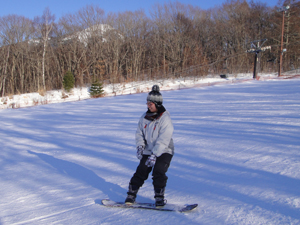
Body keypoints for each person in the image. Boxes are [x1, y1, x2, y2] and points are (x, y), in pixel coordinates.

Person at [125, 84, 174, 207]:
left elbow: (164, 138)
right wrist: (140, 146)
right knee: (141, 170)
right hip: (148, 150)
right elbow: (139, 133)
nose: (148, 105)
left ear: (157, 104)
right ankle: (131, 195)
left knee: (158, 171)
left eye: (150, 104)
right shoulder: (144, 117)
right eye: (147, 103)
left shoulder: (165, 118)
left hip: (164, 150)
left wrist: (155, 154)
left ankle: (159, 198)